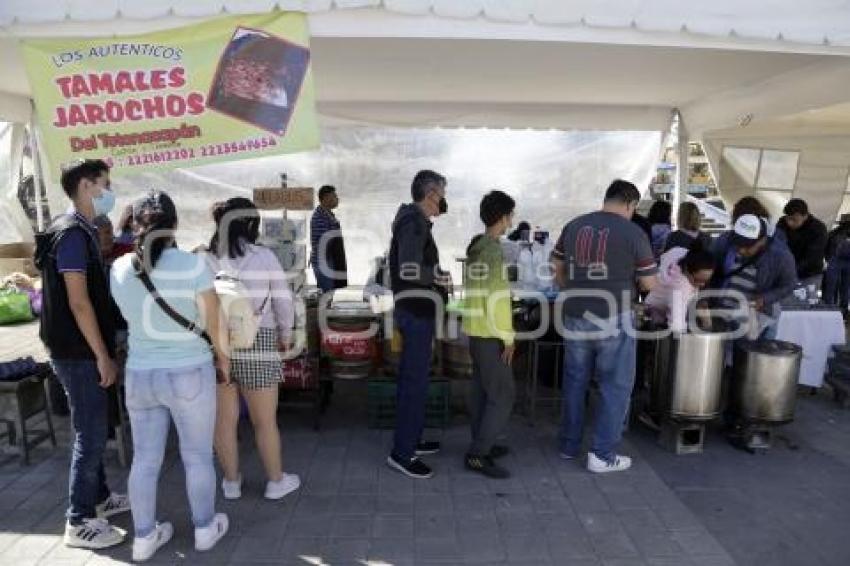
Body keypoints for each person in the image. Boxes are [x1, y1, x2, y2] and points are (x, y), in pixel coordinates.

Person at [110, 191, 230, 561]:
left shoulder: (118, 268)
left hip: (140, 374)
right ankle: (205, 528)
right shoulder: (194, 266)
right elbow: (215, 323)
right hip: (189, 372)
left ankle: (144, 537)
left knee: (145, 459)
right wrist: (223, 361)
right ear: (174, 224)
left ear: (134, 224)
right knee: (197, 456)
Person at [34, 160, 130, 549]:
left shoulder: (82, 229)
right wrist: (102, 357)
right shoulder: (72, 234)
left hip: (81, 347)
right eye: (106, 184)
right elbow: (78, 303)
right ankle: (78, 519)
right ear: (88, 186)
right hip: (77, 351)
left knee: (95, 424)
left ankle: (100, 497)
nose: (110, 191)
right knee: (89, 433)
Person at [551, 179, 658, 473]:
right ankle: (602, 454)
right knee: (615, 385)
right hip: (614, 316)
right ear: (631, 204)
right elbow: (649, 283)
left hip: (575, 313)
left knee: (575, 380)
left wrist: (569, 288)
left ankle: (569, 445)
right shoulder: (634, 232)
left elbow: (555, 266)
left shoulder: (574, 225)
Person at [205, 198, 301, 502]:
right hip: (258, 340)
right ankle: (275, 481)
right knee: (264, 421)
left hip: (216, 344)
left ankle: (231, 483)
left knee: (223, 421)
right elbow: (283, 302)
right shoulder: (263, 256)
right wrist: (286, 334)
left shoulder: (204, 258)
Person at [386, 169, 449, 479]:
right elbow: (410, 269)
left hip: (415, 308)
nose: (444, 200)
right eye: (443, 194)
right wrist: (435, 276)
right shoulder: (412, 222)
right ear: (431, 194)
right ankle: (402, 453)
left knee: (414, 379)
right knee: (414, 382)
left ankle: (412, 438)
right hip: (415, 310)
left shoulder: (413, 220)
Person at [462, 190, 516, 479]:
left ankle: (482, 441)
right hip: (491, 333)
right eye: (510, 215)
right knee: (504, 394)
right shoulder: (494, 251)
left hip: (476, 330)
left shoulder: (477, 245)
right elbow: (497, 300)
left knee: (482, 393)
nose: (511, 221)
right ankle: (478, 454)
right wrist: (508, 337)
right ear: (504, 216)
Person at [710, 214, 797, 333]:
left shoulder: (781, 255)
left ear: (762, 240)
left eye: (747, 246)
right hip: (723, 313)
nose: (741, 250)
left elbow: (790, 284)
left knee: (747, 348)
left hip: (754, 318)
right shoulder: (725, 241)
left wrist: (765, 299)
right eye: (738, 244)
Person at [644, 242, 715, 332]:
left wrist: (708, 326)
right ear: (687, 270)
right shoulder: (680, 289)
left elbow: (701, 302)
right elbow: (677, 327)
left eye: (706, 281)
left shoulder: (680, 253)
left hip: (654, 303)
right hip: (654, 315)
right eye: (698, 280)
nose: (702, 284)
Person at [775, 198, 828, 288]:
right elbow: (776, 245)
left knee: (805, 300)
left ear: (805, 216)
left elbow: (813, 257)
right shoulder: (782, 223)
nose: (789, 223)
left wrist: (789, 270)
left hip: (810, 275)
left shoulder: (818, 228)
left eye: (794, 219)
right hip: (786, 271)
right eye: (788, 218)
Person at [310, 185, 347, 292]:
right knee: (327, 295)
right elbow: (324, 243)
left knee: (331, 294)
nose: (337, 199)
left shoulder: (328, 215)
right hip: (323, 262)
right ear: (326, 198)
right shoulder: (319, 217)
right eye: (334, 196)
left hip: (329, 260)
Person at [823, 214, 850, 311]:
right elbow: (826, 247)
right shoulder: (833, 233)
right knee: (842, 288)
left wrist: (828, 258)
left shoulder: (833, 233)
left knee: (835, 287)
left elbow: (826, 247)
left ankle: (831, 308)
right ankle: (839, 309)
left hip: (835, 261)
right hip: (836, 261)